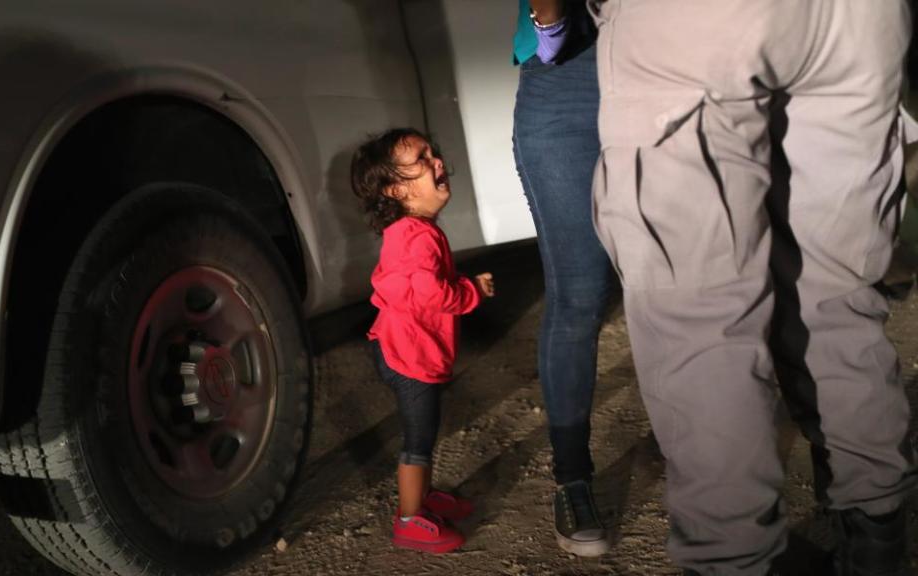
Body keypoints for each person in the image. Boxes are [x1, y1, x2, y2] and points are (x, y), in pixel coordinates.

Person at [585, 0, 916, 574]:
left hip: (698, 23)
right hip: (864, 19)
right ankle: (877, 537)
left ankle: (735, 557)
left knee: (700, 314)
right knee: (839, 294)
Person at [351, 128, 495, 554]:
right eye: (421, 158)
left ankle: (423, 498)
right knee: (419, 440)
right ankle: (409, 520)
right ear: (397, 189)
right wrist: (472, 291)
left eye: (434, 152)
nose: (436, 161)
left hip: (397, 345)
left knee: (425, 435)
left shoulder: (408, 231)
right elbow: (433, 296)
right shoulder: (420, 237)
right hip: (408, 356)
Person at [512, 0, 616, 557]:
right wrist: (550, 24)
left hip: (662, 65)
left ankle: (711, 480)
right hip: (568, 83)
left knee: (675, 287)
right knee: (579, 296)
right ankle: (572, 478)